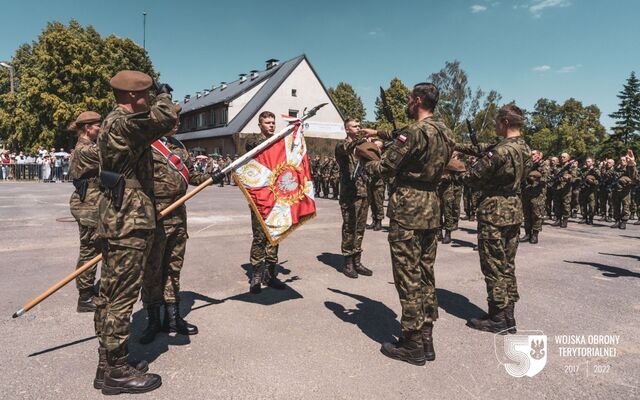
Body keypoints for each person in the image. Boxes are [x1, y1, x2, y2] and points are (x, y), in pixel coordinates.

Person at [93, 70, 177, 395]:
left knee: (111, 292)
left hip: (118, 214)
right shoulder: (123, 122)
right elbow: (165, 117)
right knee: (121, 295)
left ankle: (107, 364)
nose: (148, 99)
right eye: (146, 94)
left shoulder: (114, 123)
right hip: (128, 218)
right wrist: (165, 97)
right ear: (132, 97)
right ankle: (117, 370)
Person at [364, 82, 454, 365]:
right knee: (426, 274)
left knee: (407, 276)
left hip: (409, 209)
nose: (407, 102)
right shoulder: (445, 132)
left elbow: (385, 167)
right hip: (432, 207)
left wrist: (366, 158)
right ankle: (426, 338)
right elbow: (404, 136)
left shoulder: (412, 132)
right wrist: (378, 132)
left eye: (408, 99)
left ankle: (412, 342)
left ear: (417, 101)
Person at [139, 104, 212, 344]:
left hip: (178, 214)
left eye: (178, 119)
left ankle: (173, 318)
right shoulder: (146, 144)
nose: (177, 122)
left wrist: (214, 176)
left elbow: (192, 175)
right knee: (152, 270)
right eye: (173, 118)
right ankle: (153, 320)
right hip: (156, 214)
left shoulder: (179, 147)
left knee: (173, 267)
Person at [461, 104, 532, 334]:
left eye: (496, 121)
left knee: (492, 265)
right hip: (513, 210)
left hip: (494, 212)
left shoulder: (500, 152)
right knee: (507, 265)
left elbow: (472, 176)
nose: (494, 125)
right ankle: (507, 314)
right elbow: (485, 149)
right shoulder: (524, 148)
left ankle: (497, 318)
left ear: (505, 122)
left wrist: (456, 168)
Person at [244, 111, 287, 294]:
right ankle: (256, 275)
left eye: (273, 122)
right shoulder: (253, 142)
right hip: (260, 197)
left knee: (274, 235)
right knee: (259, 236)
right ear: (260, 125)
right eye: (267, 123)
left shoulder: (279, 142)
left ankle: (270, 274)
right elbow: (254, 148)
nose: (271, 125)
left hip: (276, 196)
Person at [68, 111, 103, 313]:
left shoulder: (87, 147)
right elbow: (111, 157)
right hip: (89, 205)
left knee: (94, 248)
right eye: (97, 125)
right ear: (87, 127)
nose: (100, 127)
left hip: (92, 202)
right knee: (90, 250)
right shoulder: (86, 150)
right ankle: (85, 297)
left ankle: (88, 292)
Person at [334, 118, 374, 279]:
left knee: (360, 228)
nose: (358, 128)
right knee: (350, 227)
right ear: (346, 129)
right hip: (349, 194)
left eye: (359, 126)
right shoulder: (341, 145)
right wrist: (361, 139)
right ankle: (348, 262)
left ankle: (357, 261)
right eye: (355, 126)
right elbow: (348, 148)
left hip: (364, 191)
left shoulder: (363, 146)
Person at [520, 150, 551, 243]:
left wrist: (534, 179)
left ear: (538, 156)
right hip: (526, 192)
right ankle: (527, 234)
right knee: (527, 214)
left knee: (536, 215)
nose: (531, 156)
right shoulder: (528, 164)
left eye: (533, 154)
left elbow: (547, 178)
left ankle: (535, 235)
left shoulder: (544, 165)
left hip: (537, 194)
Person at [551, 153, 578, 228]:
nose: (562, 158)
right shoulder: (557, 166)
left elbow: (574, 178)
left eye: (564, 157)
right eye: (561, 157)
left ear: (568, 158)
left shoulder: (571, 167)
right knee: (557, 204)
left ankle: (565, 220)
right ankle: (558, 219)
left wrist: (568, 177)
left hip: (565, 189)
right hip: (557, 187)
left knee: (566, 204)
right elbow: (551, 174)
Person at [578, 158, 600, 225]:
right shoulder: (583, 170)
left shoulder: (596, 170)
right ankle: (584, 217)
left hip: (592, 190)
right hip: (584, 189)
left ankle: (591, 218)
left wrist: (593, 182)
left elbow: (600, 179)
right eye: (586, 161)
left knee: (592, 205)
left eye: (589, 161)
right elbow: (579, 177)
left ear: (592, 162)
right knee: (583, 204)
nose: (587, 163)